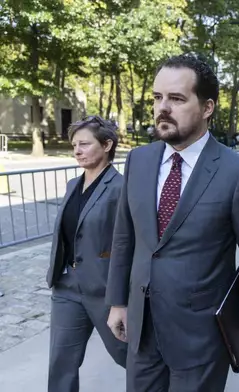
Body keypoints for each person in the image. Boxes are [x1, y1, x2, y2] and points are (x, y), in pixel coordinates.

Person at [105, 54, 239, 392]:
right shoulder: (139, 159)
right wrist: (118, 302)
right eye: (157, 98)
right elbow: (125, 237)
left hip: (201, 336)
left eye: (177, 99)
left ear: (207, 107)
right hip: (142, 328)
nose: (162, 108)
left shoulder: (238, 173)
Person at [45, 115, 126, 392]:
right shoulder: (72, 185)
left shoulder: (121, 188)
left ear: (106, 145)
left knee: (128, 355)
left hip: (104, 290)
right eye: (74, 145)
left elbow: (127, 244)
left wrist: (120, 299)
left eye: (84, 144)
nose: (77, 150)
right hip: (67, 287)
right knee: (61, 362)